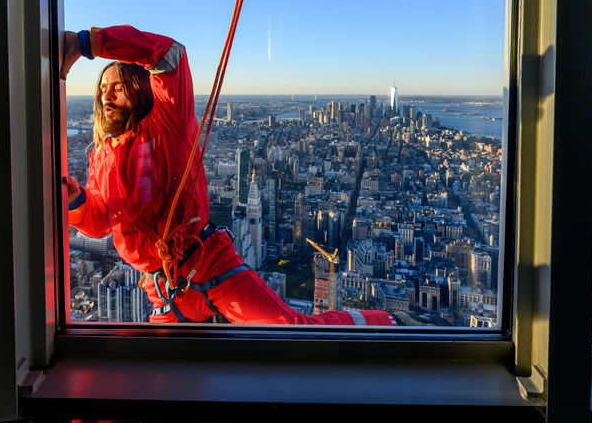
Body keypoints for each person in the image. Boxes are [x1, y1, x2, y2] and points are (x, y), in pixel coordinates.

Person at [61, 24, 395, 326]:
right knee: (161, 377)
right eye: (102, 88)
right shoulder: (102, 155)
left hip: (210, 264)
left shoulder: (167, 126)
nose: (107, 94)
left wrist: (89, 43)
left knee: (288, 330)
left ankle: (384, 323)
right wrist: (76, 200)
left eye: (118, 86)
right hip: (163, 290)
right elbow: (103, 220)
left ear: (139, 89)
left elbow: (169, 54)